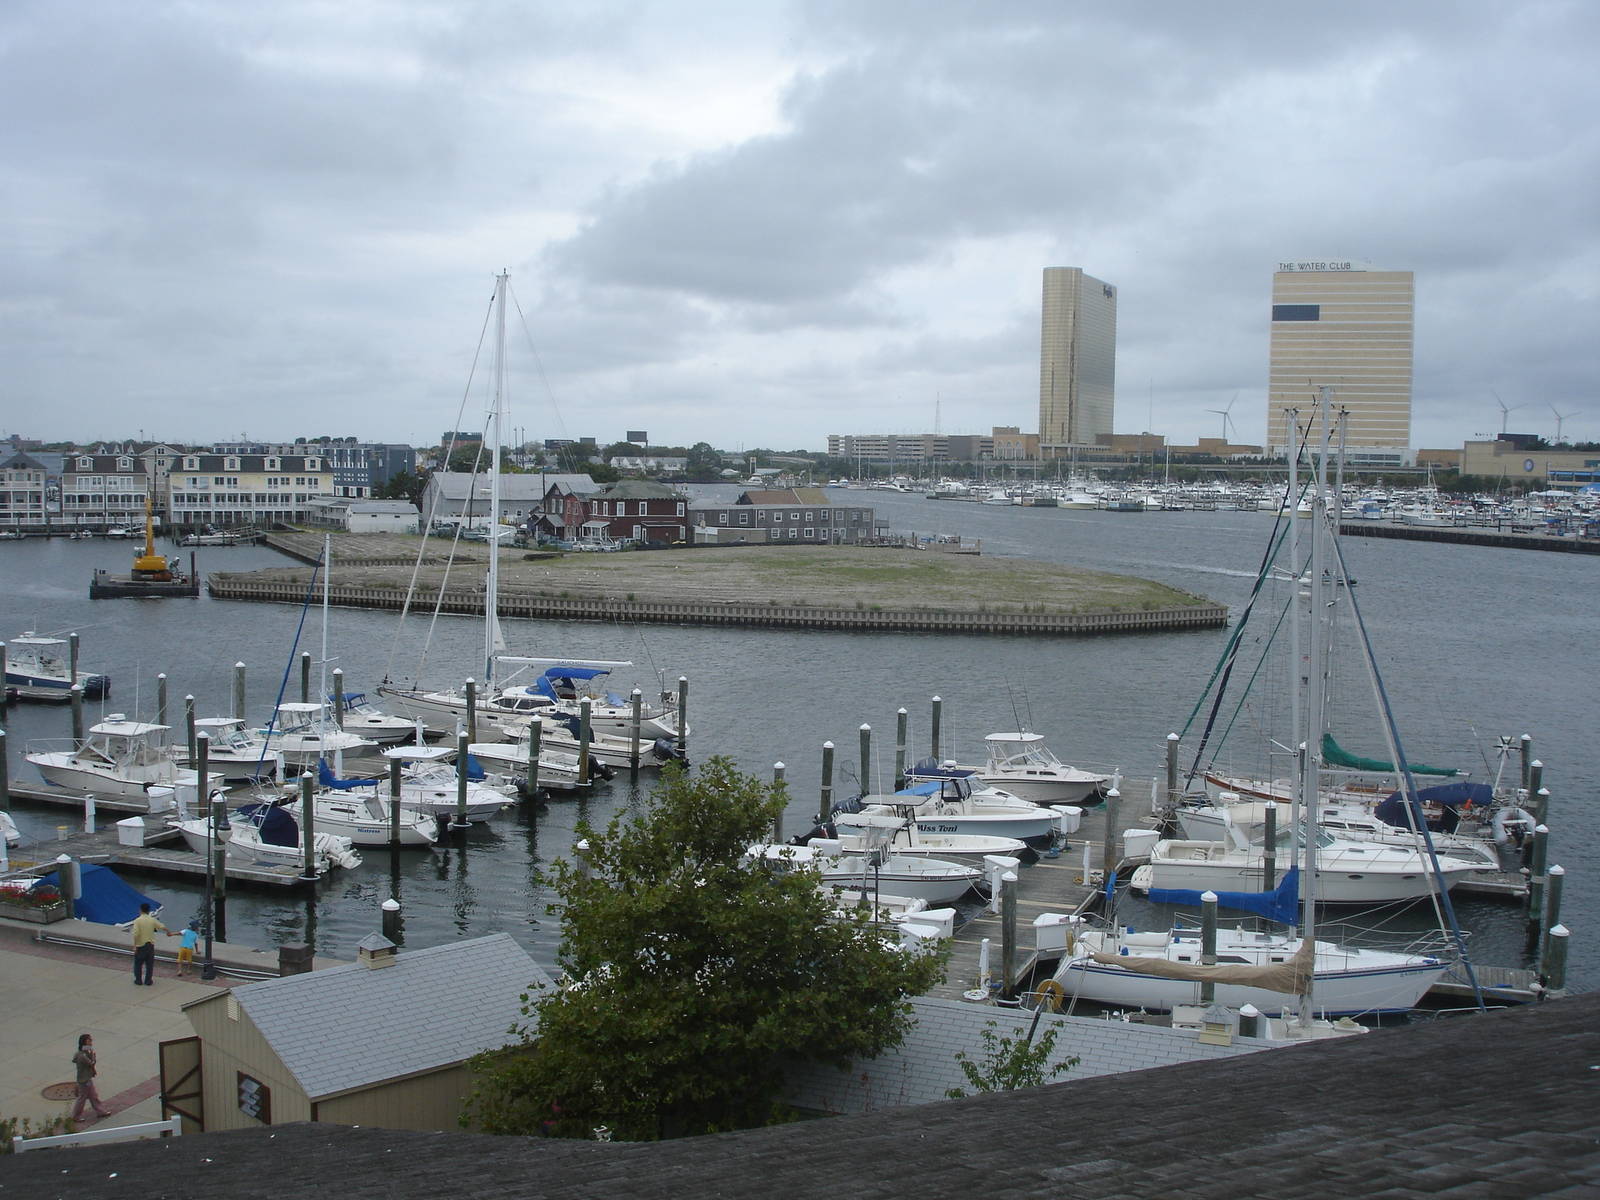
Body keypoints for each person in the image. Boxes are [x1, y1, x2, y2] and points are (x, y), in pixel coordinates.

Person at [70, 1033, 111, 1122]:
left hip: (86, 1079)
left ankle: (100, 1111)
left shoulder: (81, 1053)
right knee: (82, 1099)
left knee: (93, 1096)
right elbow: (91, 1063)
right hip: (84, 1080)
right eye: (89, 1040)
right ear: (84, 1042)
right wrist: (93, 1055)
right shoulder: (82, 1056)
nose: (91, 1042)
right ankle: (75, 1116)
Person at [129, 903, 169, 985]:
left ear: (140, 910)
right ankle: (148, 981)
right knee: (149, 965)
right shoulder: (152, 920)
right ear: (148, 910)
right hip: (150, 945)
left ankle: (138, 980)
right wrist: (169, 932)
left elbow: (136, 934)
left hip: (140, 945)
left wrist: (135, 945)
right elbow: (162, 926)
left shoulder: (137, 921)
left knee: (138, 964)